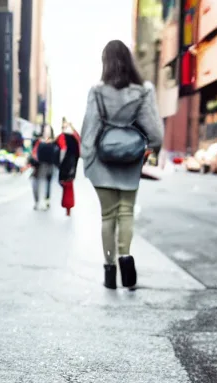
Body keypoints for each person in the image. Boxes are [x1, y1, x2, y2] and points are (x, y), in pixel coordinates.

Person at [80, 39, 163, 290]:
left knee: (108, 216)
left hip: (102, 162)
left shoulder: (97, 91)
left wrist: (89, 161)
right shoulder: (144, 90)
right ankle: (126, 263)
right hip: (130, 161)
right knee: (126, 212)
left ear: (105, 62)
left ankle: (109, 272)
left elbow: (89, 130)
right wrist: (147, 151)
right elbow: (156, 133)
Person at [56, 120, 81, 216]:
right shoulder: (76, 137)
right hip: (73, 165)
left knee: (65, 186)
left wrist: (60, 162)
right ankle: (68, 208)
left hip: (65, 165)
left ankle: (67, 207)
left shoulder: (63, 136)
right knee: (69, 187)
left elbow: (63, 149)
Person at [31, 125, 58, 210]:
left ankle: (46, 201)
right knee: (35, 183)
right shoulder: (38, 141)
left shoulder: (54, 142)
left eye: (48, 130)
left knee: (47, 183)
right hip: (38, 165)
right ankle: (37, 201)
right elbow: (33, 152)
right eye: (45, 130)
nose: (47, 132)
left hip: (49, 165)